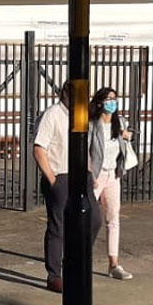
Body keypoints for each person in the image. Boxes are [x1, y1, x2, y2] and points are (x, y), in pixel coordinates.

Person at [33, 81, 102, 293]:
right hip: (61, 175)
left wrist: (91, 173)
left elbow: (85, 145)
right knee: (59, 227)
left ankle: (76, 261)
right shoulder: (52, 115)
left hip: (82, 175)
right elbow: (39, 148)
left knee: (94, 220)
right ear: (64, 94)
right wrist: (52, 179)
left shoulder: (80, 116)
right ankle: (54, 275)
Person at [89, 88, 134, 280]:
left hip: (113, 175)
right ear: (99, 102)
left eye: (115, 99)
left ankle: (113, 264)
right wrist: (89, 173)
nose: (112, 103)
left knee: (113, 219)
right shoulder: (92, 125)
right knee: (89, 219)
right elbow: (87, 150)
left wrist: (126, 137)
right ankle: (79, 256)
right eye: (109, 99)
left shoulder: (121, 123)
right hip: (96, 176)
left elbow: (123, 148)